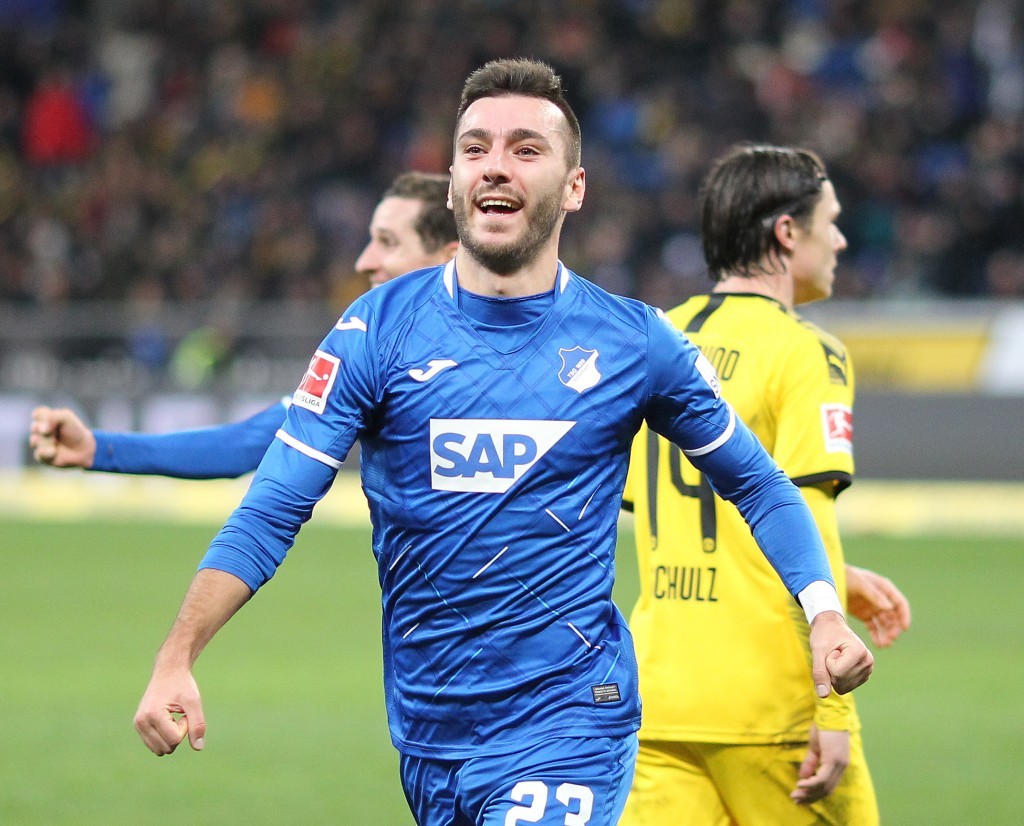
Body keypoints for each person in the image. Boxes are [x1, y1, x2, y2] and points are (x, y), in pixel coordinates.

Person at [131, 59, 873, 826]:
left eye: (525, 149)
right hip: (429, 731)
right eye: (476, 147)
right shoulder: (374, 333)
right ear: (452, 177)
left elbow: (758, 483)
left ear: (573, 187)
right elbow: (275, 504)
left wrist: (821, 610)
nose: (496, 165)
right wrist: (177, 654)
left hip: (572, 722)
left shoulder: (635, 344)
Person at [619, 144, 911, 826]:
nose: (840, 239)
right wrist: (832, 708)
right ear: (787, 232)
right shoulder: (808, 352)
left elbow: (672, 517)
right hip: (773, 708)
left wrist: (838, 572)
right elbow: (803, 507)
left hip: (658, 703)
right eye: (830, 221)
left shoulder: (659, 338)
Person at [28, 171, 457, 480]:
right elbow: (247, 442)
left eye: (388, 242)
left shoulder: (517, 346)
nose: (364, 261)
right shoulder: (370, 356)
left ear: (448, 256)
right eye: (369, 240)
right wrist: (100, 448)